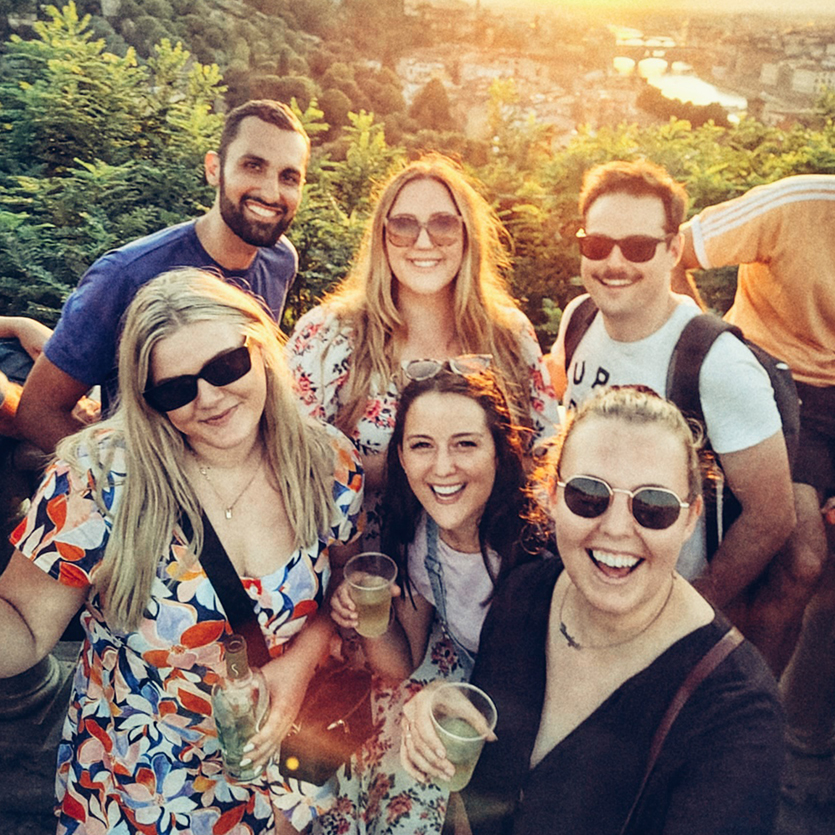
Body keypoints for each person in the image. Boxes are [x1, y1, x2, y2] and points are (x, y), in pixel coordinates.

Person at [0, 268, 363, 834]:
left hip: (284, 782)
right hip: (140, 787)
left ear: (260, 347)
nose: (210, 399)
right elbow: (21, 625)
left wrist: (300, 662)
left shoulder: (328, 465)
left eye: (225, 367)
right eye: (175, 389)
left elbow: (343, 595)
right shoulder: (100, 477)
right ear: (149, 401)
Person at [403, 386, 784, 835]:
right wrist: (444, 703)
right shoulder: (524, 595)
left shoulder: (734, 714)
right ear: (551, 495)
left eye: (654, 506)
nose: (617, 529)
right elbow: (480, 787)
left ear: (689, 518)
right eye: (588, 495)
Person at [546, 160, 795, 670]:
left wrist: (688, 610)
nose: (614, 262)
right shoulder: (580, 319)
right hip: (581, 581)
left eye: (638, 247)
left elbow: (773, 516)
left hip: (663, 609)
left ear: (673, 249)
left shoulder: (716, 364)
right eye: (596, 245)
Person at [287, 153, 559, 548]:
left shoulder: (509, 335)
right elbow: (290, 463)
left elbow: (545, 455)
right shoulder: (327, 337)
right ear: (381, 235)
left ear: (468, 235)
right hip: (363, 574)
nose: (424, 241)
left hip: (487, 570)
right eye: (403, 225)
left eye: (444, 224)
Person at [17, 98, 310, 452]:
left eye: (288, 176)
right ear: (214, 169)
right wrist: (122, 483)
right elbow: (37, 412)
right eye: (253, 166)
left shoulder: (279, 261)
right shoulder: (127, 275)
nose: (270, 191)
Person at [320, 364, 538, 835]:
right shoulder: (421, 537)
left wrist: (444, 698)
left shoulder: (540, 550)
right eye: (422, 445)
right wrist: (367, 618)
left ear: (500, 452)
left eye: (465, 443)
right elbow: (401, 663)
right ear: (399, 455)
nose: (442, 467)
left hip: (536, 723)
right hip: (472, 704)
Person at [674, 174, 835, 791]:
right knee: (802, 556)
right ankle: (743, 717)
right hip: (779, 385)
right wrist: (709, 348)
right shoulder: (797, 206)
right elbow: (674, 252)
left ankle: (802, 725)